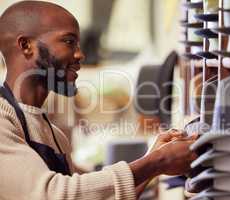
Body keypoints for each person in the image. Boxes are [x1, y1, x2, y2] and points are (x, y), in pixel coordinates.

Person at [0, 1, 198, 200]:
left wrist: (153, 158)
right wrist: (157, 161)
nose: (80, 54)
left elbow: (99, 196)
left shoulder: (55, 136)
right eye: (68, 42)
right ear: (26, 46)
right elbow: (53, 194)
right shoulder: (3, 119)